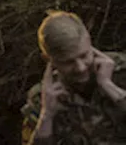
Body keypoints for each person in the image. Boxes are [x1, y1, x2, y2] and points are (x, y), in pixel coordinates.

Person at [21, 10, 126, 144]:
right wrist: (46, 115)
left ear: (89, 43)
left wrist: (111, 88)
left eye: (84, 55)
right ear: (48, 59)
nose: (80, 68)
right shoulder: (42, 97)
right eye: (68, 62)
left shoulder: (122, 69)